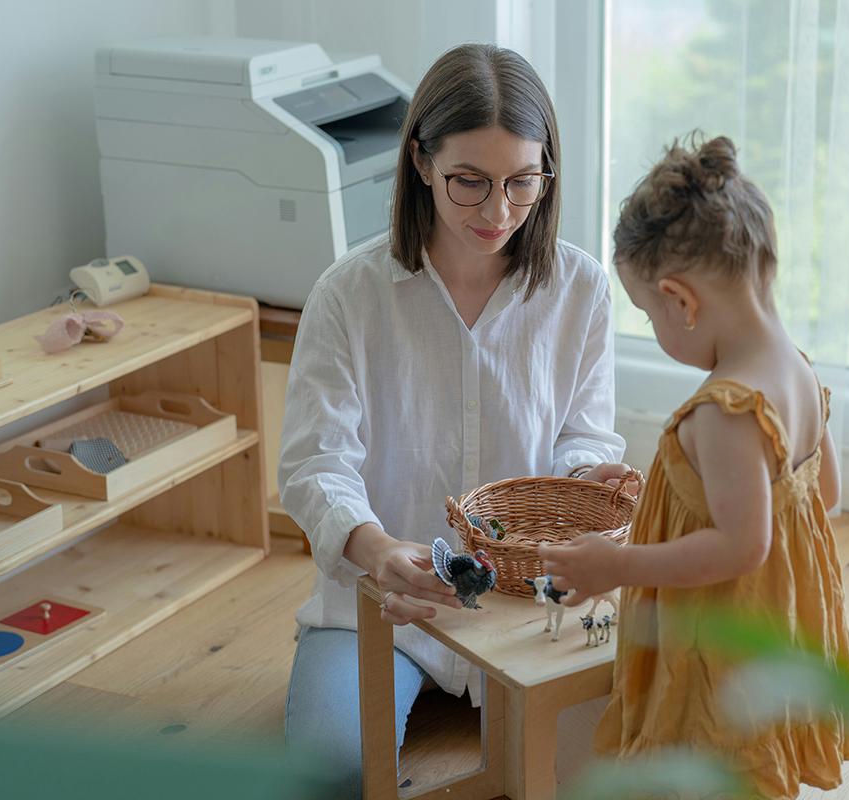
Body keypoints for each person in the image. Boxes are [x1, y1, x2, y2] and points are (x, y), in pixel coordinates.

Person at [278, 43, 630, 795]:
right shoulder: (349, 295)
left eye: (522, 181)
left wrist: (585, 484)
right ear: (421, 163)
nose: (498, 210)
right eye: (469, 181)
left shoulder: (581, 289)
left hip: (529, 606)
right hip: (385, 604)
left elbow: (583, 435)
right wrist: (374, 549)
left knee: (620, 765)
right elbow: (315, 464)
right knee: (329, 774)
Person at [541, 134, 849, 799]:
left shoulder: (725, 409)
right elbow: (824, 493)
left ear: (680, 301)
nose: (658, 329)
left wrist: (617, 564)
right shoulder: (796, 369)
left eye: (649, 314)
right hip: (777, 628)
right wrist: (674, 496)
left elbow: (743, 544)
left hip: (718, 647)